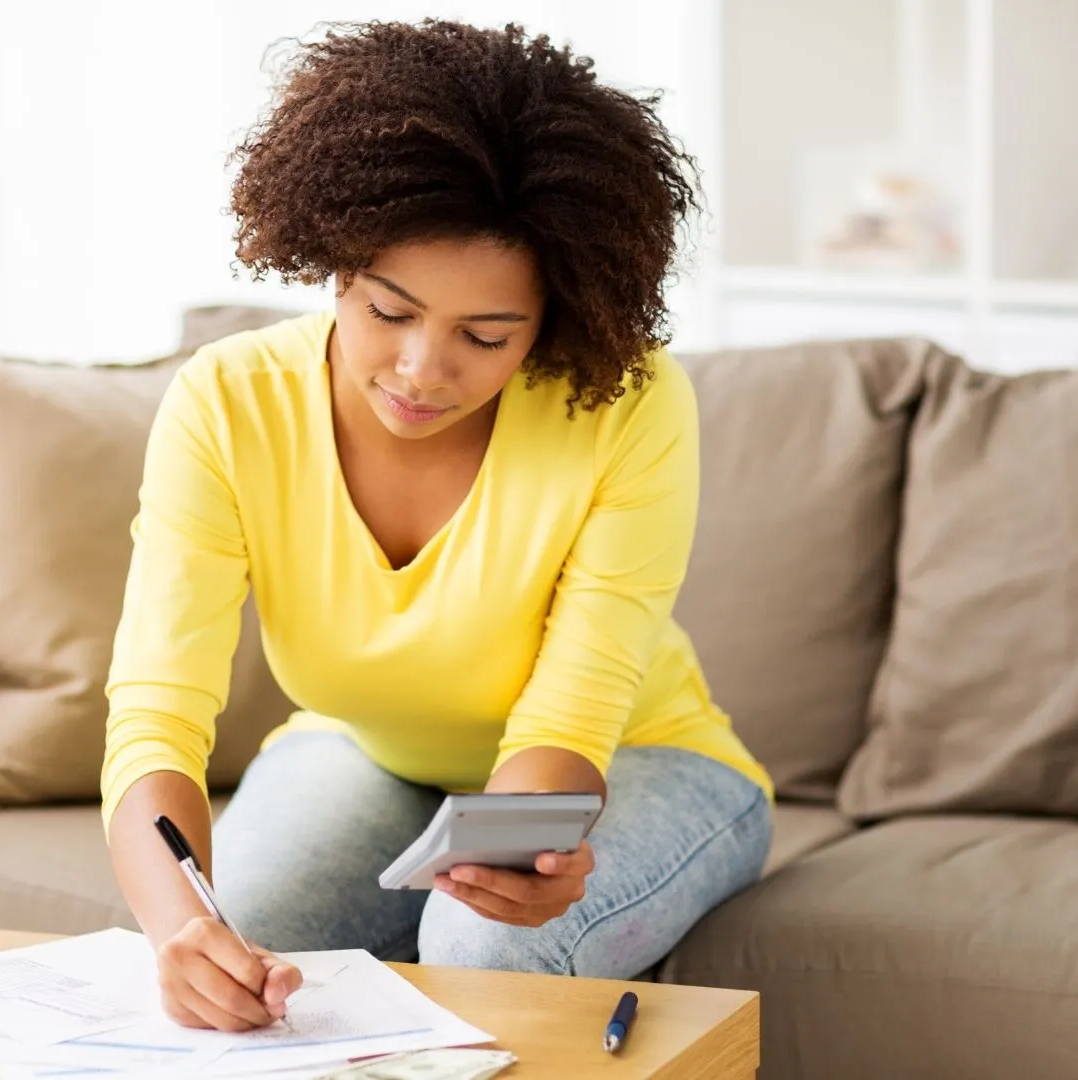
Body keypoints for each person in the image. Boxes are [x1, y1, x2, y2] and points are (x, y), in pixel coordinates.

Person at [100, 18, 774, 1034]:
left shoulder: (627, 405)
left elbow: (571, 714)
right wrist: (178, 928)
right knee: (242, 935)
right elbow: (158, 708)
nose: (421, 369)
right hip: (366, 751)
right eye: (387, 310)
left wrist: (525, 851)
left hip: (650, 755)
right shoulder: (227, 403)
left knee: (490, 943)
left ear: (554, 320)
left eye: (486, 335)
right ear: (333, 261)